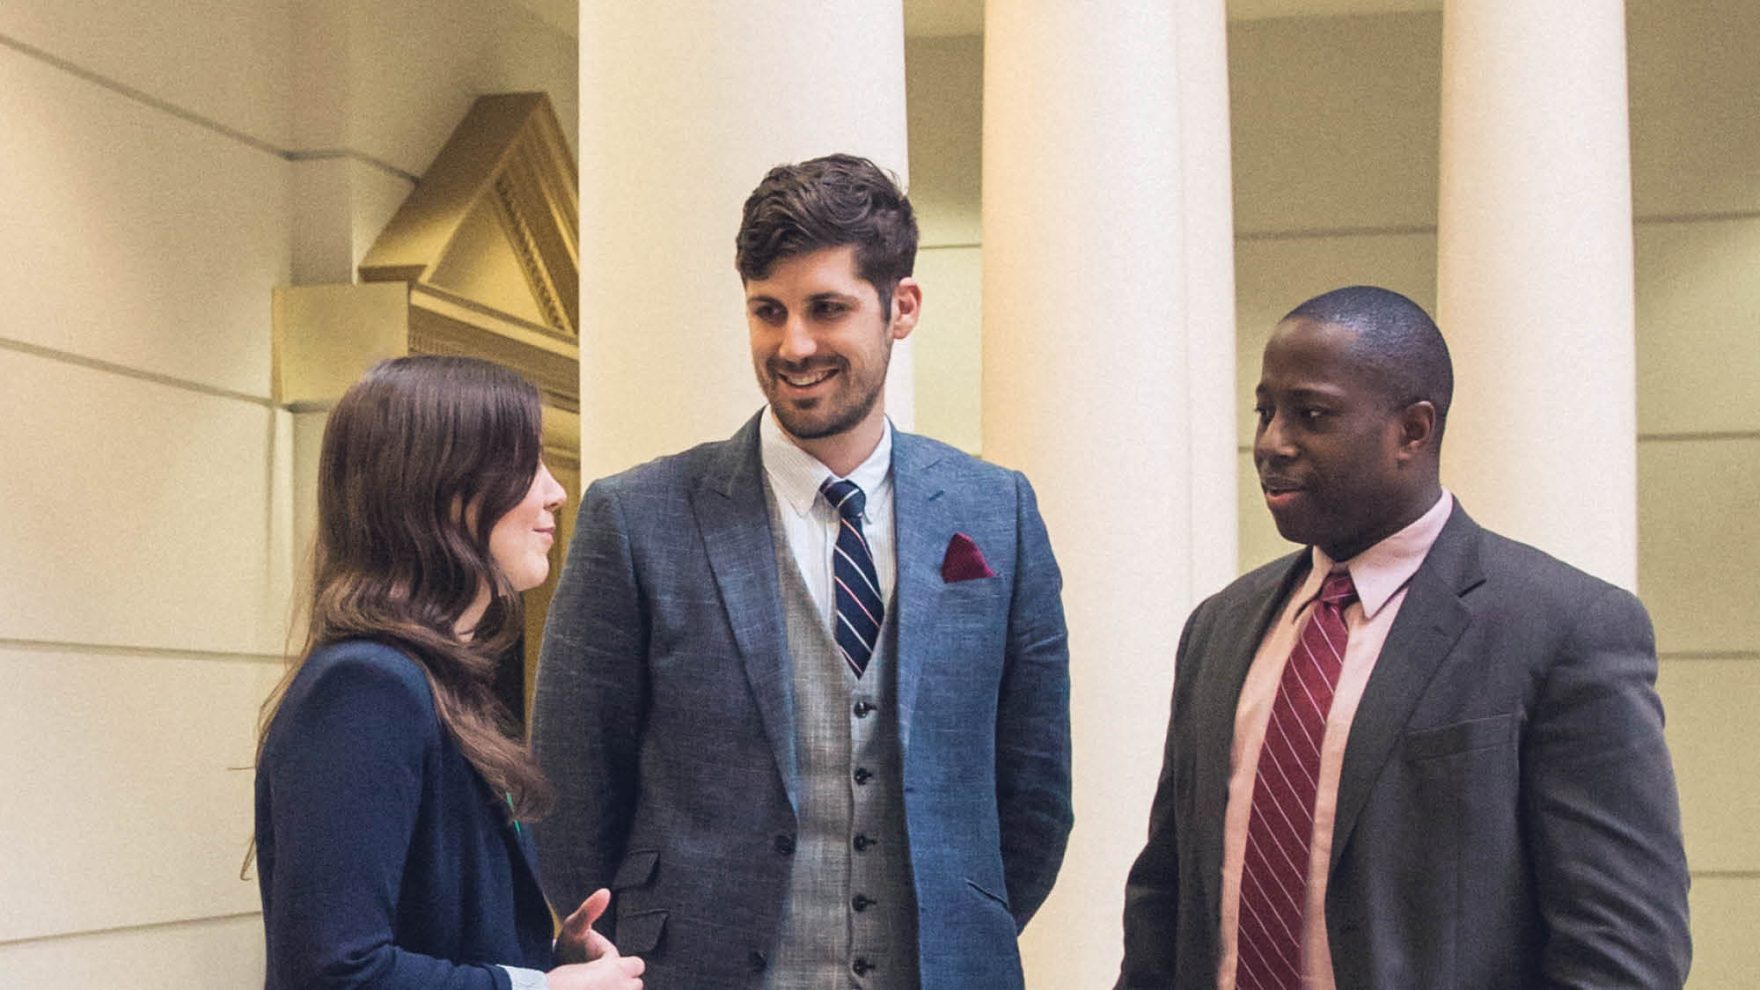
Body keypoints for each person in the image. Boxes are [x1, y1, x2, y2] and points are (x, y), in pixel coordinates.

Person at [531, 154, 1072, 990]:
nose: (796, 345)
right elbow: (569, 784)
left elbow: (1034, 790)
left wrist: (962, 922)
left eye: (828, 309)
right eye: (768, 312)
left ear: (902, 308)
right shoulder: (638, 516)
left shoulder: (994, 509)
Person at [1117, 286, 1692, 989]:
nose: (1272, 443)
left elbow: (1623, 948)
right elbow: (1165, 900)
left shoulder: (1564, 628)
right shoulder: (1221, 627)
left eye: (1312, 415)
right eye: (1265, 411)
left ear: (1413, 431)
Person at [253, 356, 646, 990]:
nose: (555, 492)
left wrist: (545, 961)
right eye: (529, 465)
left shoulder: (431, 680)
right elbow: (333, 973)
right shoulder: (366, 686)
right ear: (444, 489)